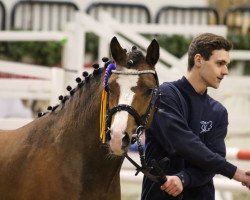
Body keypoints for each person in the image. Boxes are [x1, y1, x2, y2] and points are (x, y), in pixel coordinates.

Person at [141, 33, 250, 200]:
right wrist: (236, 173)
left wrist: (183, 178)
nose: (226, 71)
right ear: (198, 60)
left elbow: (212, 163)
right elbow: (183, 142)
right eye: (220, 63)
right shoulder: (165, 95)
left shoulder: (218, 111)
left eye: (226, 64)